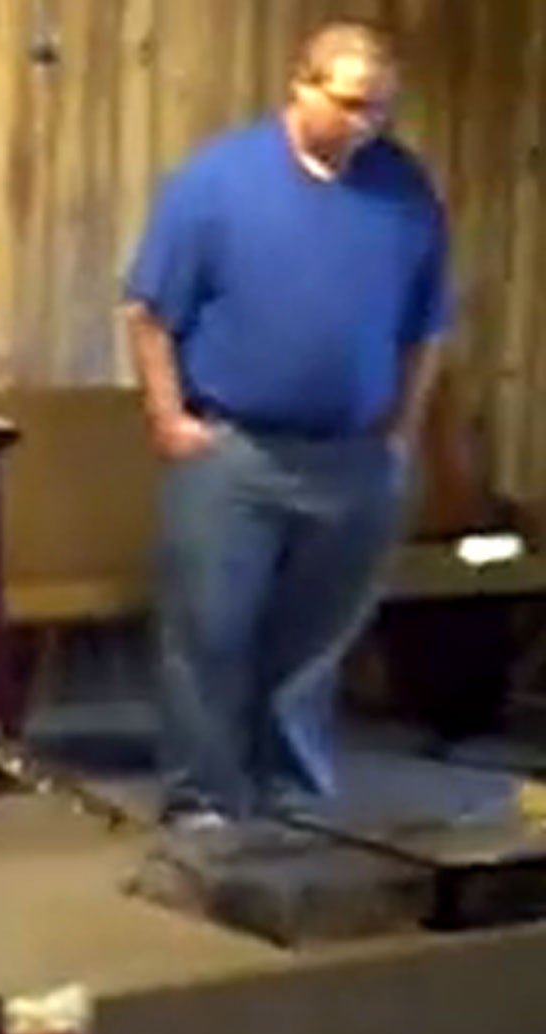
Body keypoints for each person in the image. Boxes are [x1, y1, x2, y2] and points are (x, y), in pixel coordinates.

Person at [121, 21, 451, 829]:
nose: (366, 126)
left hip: (352, 457)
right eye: (350, 106)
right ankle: (203, 798)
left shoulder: (403, 189)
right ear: (301, 88)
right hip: (235, 450)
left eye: (381, 111)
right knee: (210, 631)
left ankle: (289, 794)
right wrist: (168, 417)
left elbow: (426, 325)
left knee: (312, 644)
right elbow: (149, 311)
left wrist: (401, 431)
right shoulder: (216, 183)